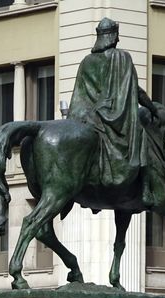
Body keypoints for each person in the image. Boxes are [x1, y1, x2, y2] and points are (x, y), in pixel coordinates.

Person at [67, 17, 158, 189]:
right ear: (113, 36)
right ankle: (146, 190)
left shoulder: (87, 61)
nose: (118, 39)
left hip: (89, 117)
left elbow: (80, 95)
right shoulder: (122, 58)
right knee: (141, 134)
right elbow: (135, 90)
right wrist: (152, 109)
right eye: (117, 35)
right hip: (113, 117)